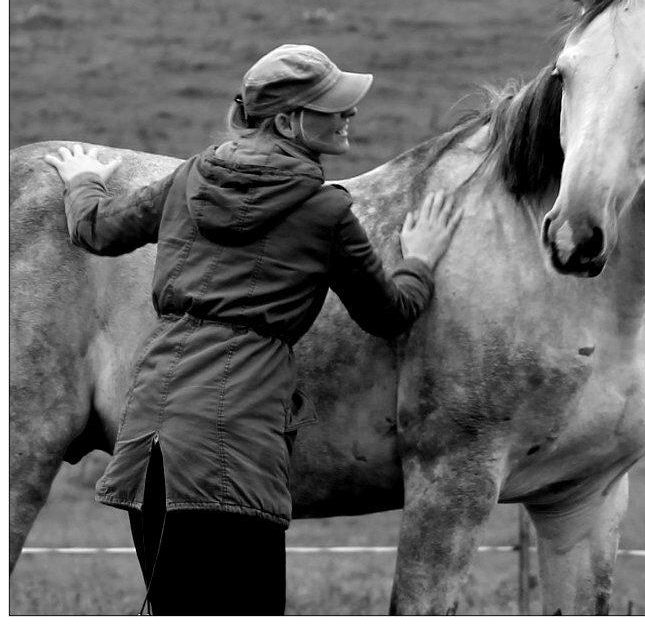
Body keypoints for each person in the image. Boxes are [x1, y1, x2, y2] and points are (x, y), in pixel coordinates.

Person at [44, 44, 462, 615]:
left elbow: (97, 231)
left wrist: (84, 181)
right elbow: (387, 314)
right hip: (236, 444)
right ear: (289, 122)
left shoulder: (189, 178)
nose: (350, 115)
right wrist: (420, 259)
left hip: (152, 435)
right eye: (333, 106)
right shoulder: (326, 214)